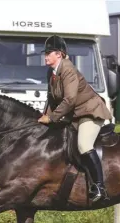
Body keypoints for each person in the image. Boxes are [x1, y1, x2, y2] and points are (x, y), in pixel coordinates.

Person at [38, 35, 112, 202]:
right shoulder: (52, 72)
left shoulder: (68, 69)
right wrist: (44, 116)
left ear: (60, 54)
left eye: (49, 53)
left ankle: (99, 187)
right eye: (46, 53)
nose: (46, 56)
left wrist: (52, 118)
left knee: (84, 144)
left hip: (90, 112)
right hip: (75, 115)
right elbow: (51, 99)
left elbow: (69, 99)